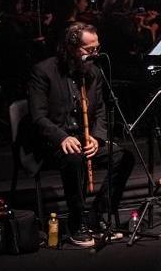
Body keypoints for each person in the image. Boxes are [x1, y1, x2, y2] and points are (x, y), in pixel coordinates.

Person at [26, 23, 135, 247]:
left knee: (124, 157)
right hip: (53, 141)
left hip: (85, 138)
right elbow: (38, 117)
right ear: (71, 47)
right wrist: (62, 137)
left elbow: (102, 110)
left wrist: (97, 137)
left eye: (97, 48)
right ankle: (77, 223)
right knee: (75, 158)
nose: (94, 54)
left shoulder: (94, 72)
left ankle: (97, 214)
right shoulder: (43, 71)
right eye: (89, 49)